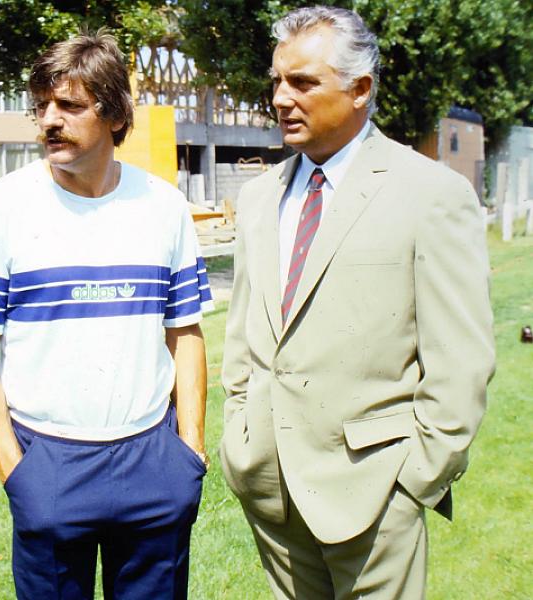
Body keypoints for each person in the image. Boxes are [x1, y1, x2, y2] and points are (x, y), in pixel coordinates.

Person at [219, 6, 496, 598]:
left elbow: (461, 363)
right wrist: (239, 436)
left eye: (302, 82)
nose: (281, 98)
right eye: (276, 81)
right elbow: (245, 334)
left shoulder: (431, 195)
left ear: (360, 89)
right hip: (270, 489)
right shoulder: (259, 197)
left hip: (375, 496)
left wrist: (413, 483)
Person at [0, 30, 213, 600]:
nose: (48, 120)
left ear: (116, 115)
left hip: (152, 458)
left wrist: (189, 447)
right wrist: (15, 469)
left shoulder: (164, 206)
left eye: (68, 105)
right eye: (40, 106)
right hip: (49, 459)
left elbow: (185, 332)